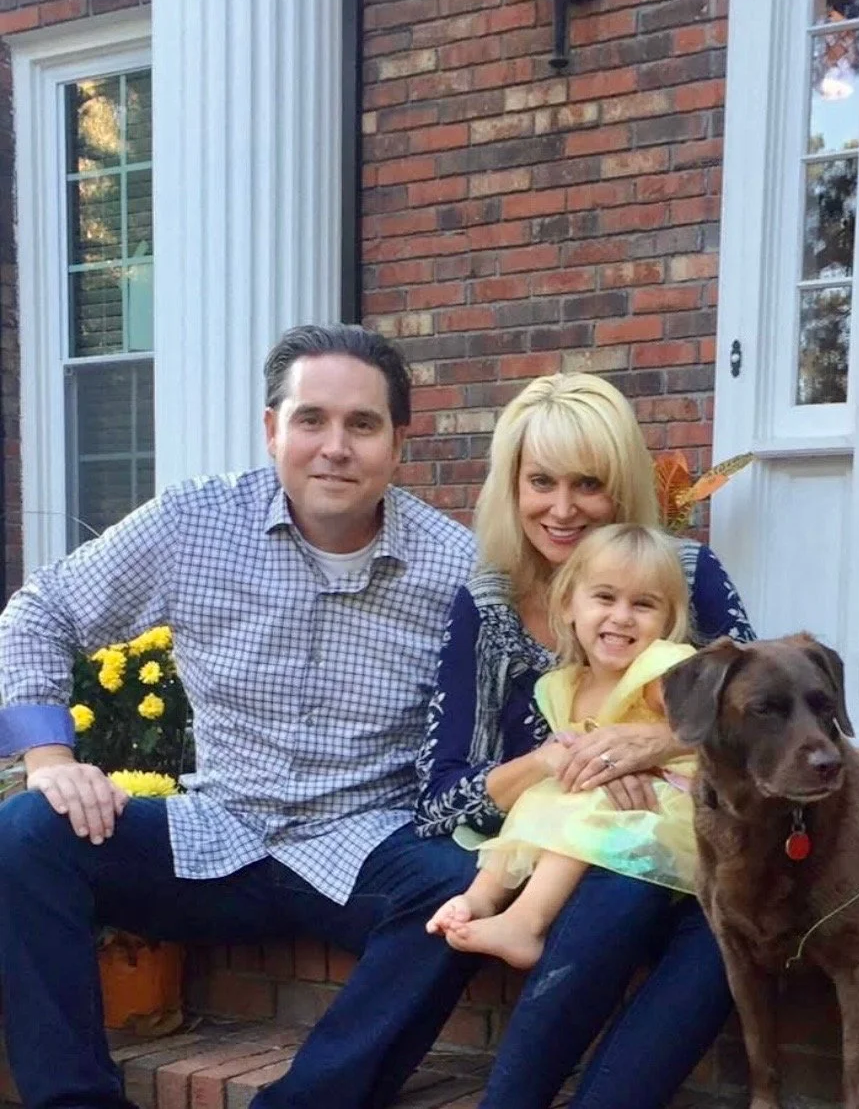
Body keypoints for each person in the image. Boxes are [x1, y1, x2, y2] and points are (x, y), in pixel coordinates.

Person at [0, 325, 480, 1109]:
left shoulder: (454, 566)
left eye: (362, 425)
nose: (334, 447)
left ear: (399, 443)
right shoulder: (195, 524)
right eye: (311, 419)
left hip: (358, 846)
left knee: (456, 892)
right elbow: (40, 610)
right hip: (215, 834)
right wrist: (52, 760)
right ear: (272, 429)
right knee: (26, 834)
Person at [415, 371, 756, 1109]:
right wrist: (556, 767)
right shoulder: (489, 603)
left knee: (729, 926)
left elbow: (768, 717)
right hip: (555, 863)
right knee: (622, 889)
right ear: (511, 485)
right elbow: (441, 798)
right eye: (540, 481)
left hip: (697, 828)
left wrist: (655, 746)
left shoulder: (686, 573)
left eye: (588, 484)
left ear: (622, 486)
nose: (562, 509)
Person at [426, 523, 699, 969]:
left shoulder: (660, 672)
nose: (622, 616)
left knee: (579, 800)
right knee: (541, 794)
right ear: (569, 604)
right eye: (605, 598)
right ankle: (479, 899)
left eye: (644, 604)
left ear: (667, 622)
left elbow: (706, 732)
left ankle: (525, 924)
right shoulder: (564, 684)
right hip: (609, 802)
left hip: (664, 805)